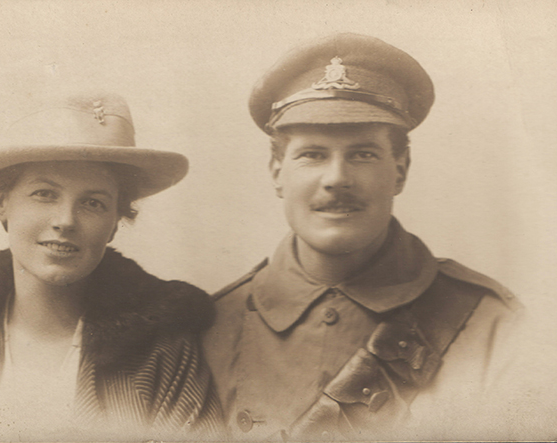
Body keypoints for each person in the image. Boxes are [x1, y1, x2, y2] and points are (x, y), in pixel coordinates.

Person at [202, 33, 524, 440]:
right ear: (276, 171)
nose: (337, 179)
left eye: (363, 154)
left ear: (401, 170)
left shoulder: (491, 326)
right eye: (313, 154)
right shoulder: (209, 327)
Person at [0, 92, 222, 440]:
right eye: (45, 194)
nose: (65, 221)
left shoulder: (163, 353)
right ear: (2, 204)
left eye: (92, 203)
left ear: (116, 221)